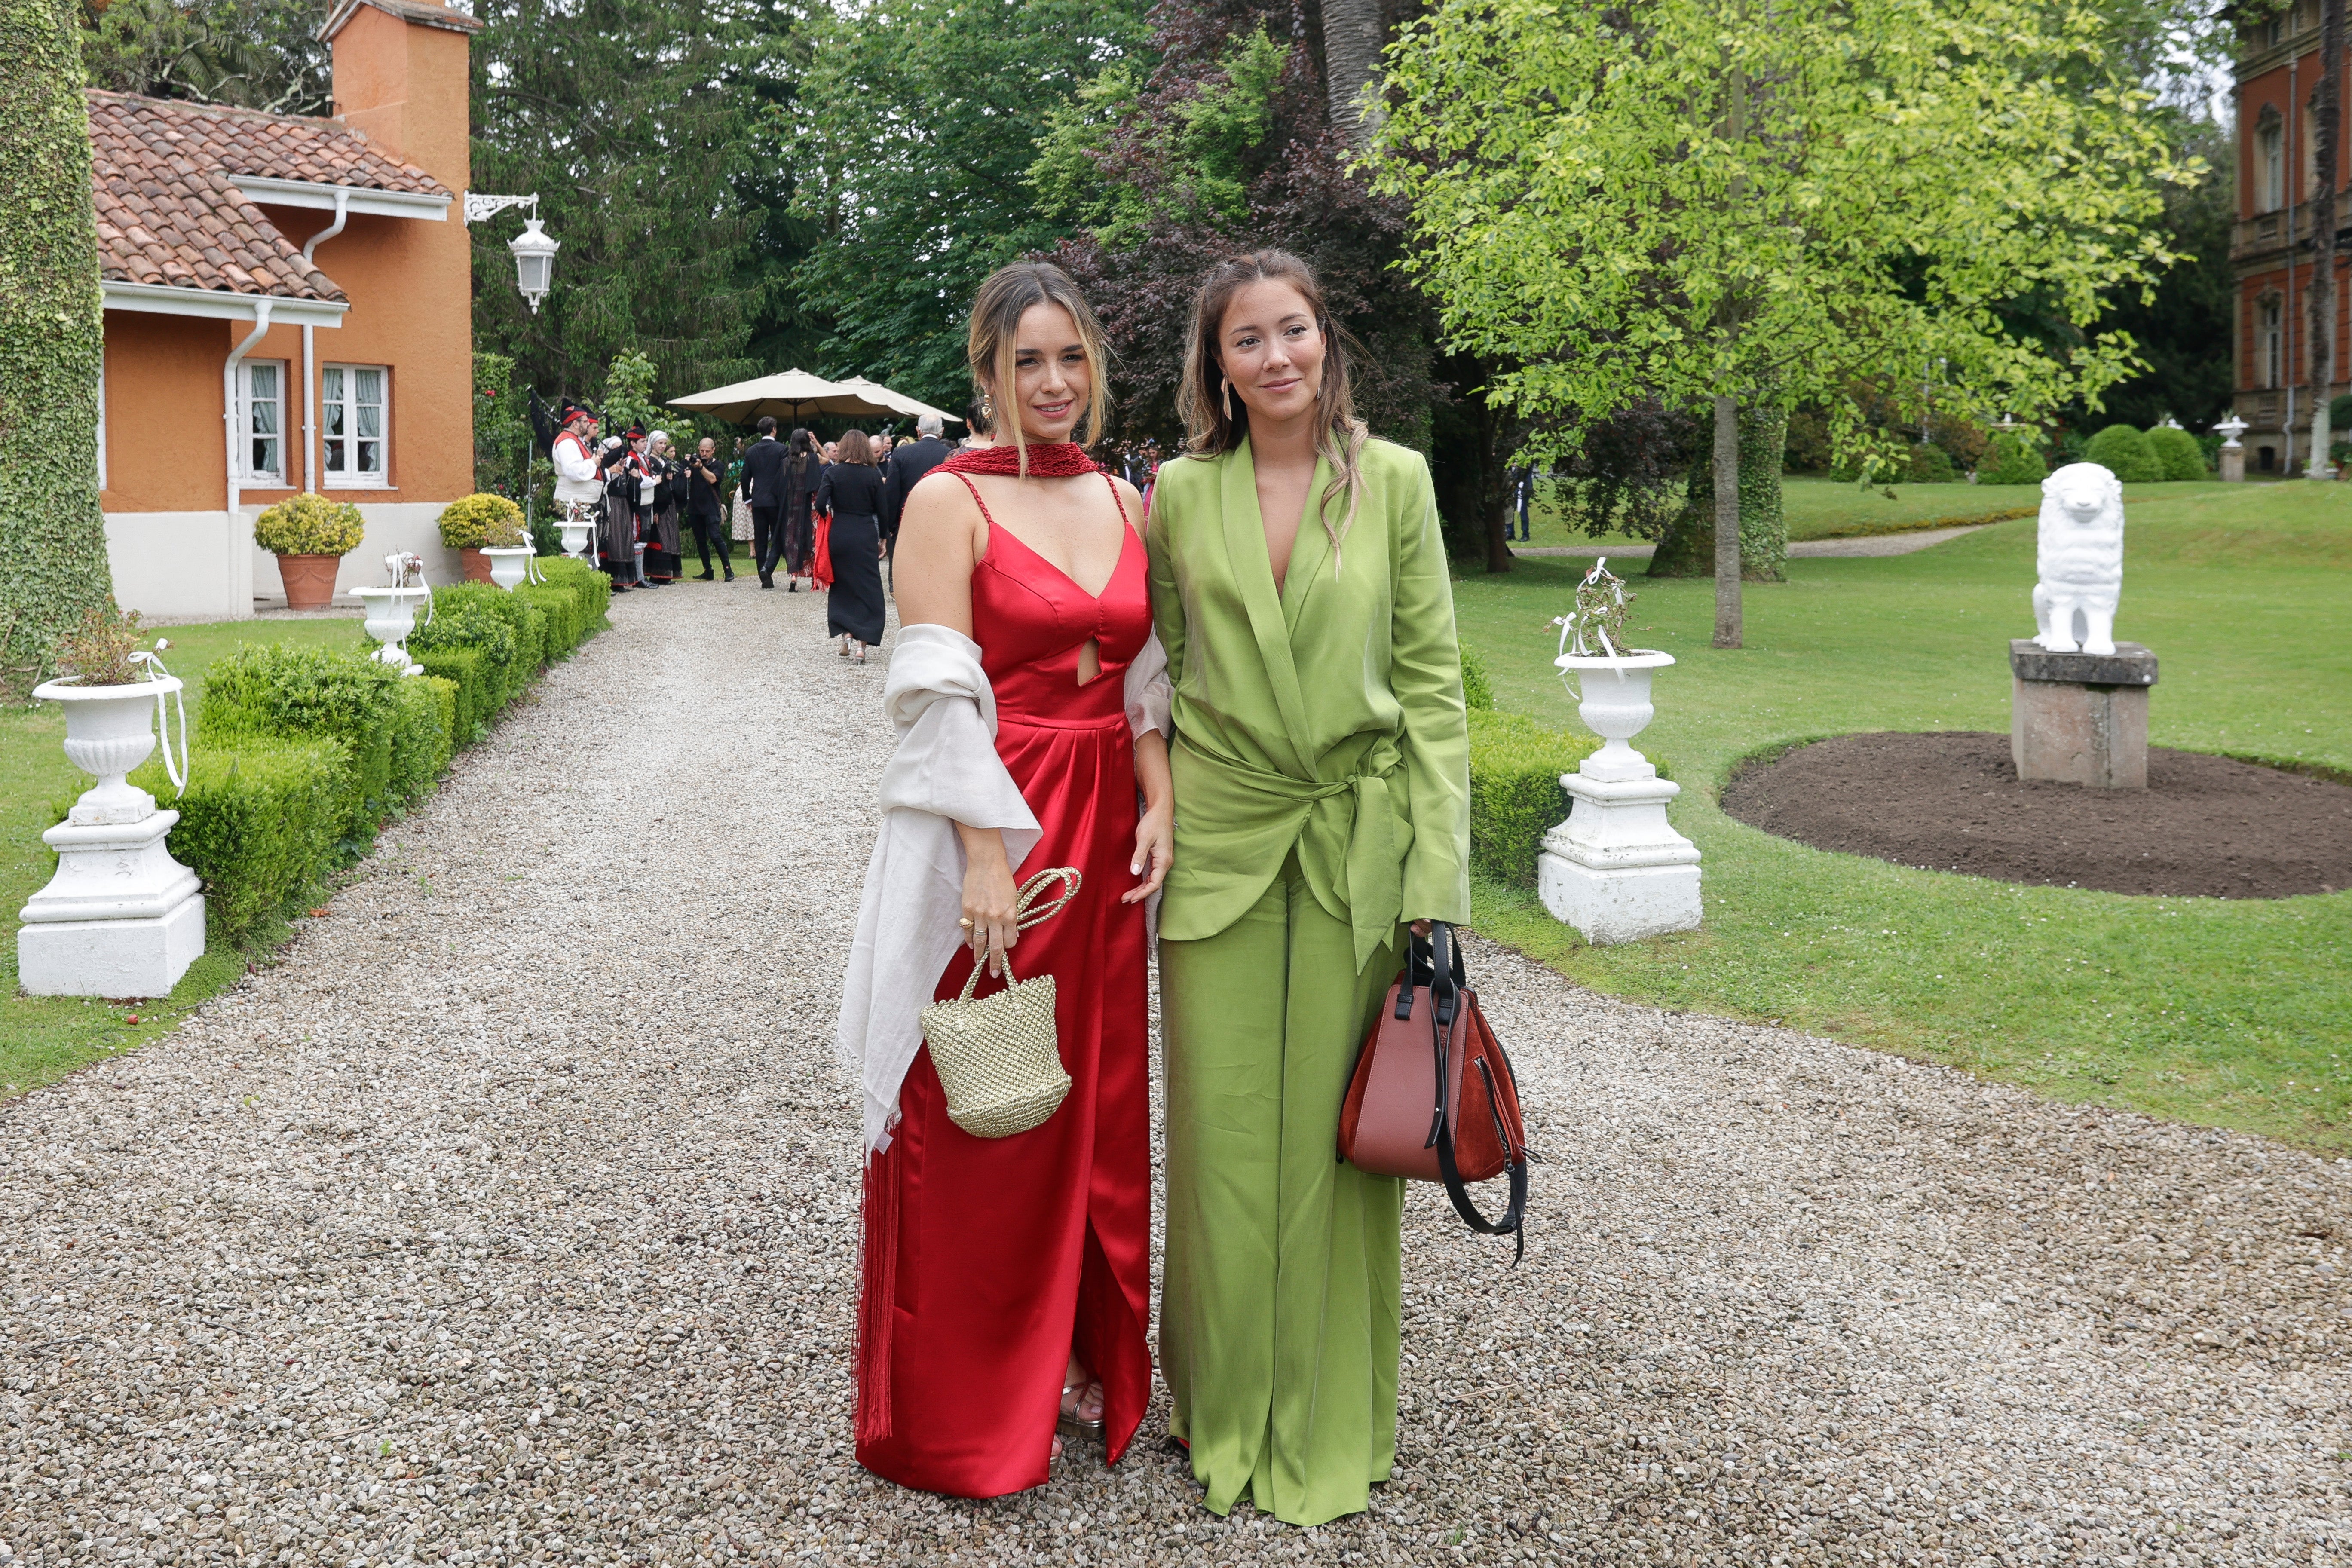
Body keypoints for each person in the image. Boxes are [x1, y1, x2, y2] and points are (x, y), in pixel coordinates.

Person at [1145, 249, 1470, 1527]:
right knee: (1222, 1143)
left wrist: (1436, 879)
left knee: (1342, 1158)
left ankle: (1336, 1420)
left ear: (1327, 340)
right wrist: (1154, 804)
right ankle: (1219, 1409)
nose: (1276, 358)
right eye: (1247, 340)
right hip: (1220, 847)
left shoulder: (1393, 484)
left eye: (1295, 330)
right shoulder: (1177, 492)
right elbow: (1151, 678)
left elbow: (1434, 689)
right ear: (1214, 365)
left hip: (1357, 848)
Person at [837, 260, 1173, 1501]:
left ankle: (1086, 1366)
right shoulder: (948, 501)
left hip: (1111, 826)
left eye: (1071, 357)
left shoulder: (1127, 498)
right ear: (985, 374)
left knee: (1096, 1107)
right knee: (986, 1103)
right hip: (1005, 821)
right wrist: (986, 852)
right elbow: (932, 693)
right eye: (1027, 360)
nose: (1054, 382)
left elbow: (1144, 677)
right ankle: (963, 1411)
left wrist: (1164, 798)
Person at [814, 430, 888, 661]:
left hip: (840, 533)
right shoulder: (873, 475)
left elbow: (819, 504)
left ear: (844, 447)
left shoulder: (834, 473)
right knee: (867, 586)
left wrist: (830, 514)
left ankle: (846, 633)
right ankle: (861, 645)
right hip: (865, 532)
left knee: (844, 584)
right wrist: (883, 538)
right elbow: (883, 511)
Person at [884, 414, 955, 556]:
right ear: (942, 431)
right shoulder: (950, 455)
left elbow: (892, 493)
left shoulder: (901, 453)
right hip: (941, 523)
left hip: (907, 522)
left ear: (918, 430)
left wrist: (891, 526)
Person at [740, 416, 790, 589]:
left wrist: (747, 497)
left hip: (759, 500)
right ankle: (767, 570)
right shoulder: (782, 449)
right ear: (774, 429)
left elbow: (745, 477)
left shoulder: (751, 451)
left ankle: (765, 578)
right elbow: (785, 477)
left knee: (760, 539)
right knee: (778, 537)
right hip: (776, 501)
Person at [551, 404, 603, 547]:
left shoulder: (573, 440)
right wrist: (593, 463)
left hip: (581, 502)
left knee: (583, 544)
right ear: (576, 423)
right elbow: (574, 471)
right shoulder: (567, 442)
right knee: (576, 544)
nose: (588, 424)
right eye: (585, 421)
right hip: (574, 503)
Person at [686, 436, 733, 580]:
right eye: (702, 451)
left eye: (707, 451)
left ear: (713, 451)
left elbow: (713, 479)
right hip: (695, 508)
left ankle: (728, 569)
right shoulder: (692, 464)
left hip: (711, 507)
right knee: (700, 541)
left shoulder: (718, 465)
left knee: (715, 537)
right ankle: (708, 570)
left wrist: (701, 467)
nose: (704, 454)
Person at [784, 428, 824, 593]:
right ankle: (814, 578)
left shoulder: (787, 462)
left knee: (793, 539)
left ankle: (794, 575)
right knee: (812, 539)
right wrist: (817, 443)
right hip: (811, 505)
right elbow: (828, 460)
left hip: (792, 506)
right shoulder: (813, 459)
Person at [596, 434, 637, 592]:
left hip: (622, 504)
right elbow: (604, 484)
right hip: (610, 502)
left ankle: (621, 581)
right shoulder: (605, 467)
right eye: (615, 450)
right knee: (611, 540)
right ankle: (609, 581)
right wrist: (613, 471)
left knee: (622, 539)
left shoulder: (625, 466)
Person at [643, 431, 683, 583]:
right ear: (653, 444)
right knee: (660, 536)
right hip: (658, 503)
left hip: (668, 503)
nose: (663, 446)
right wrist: (656, 509)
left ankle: (667, 573)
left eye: (665, 444)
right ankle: (657, 573)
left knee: (669, 537)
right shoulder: (650, 462)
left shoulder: (664, 461)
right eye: (661, 443)